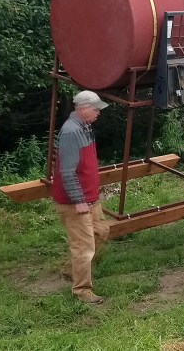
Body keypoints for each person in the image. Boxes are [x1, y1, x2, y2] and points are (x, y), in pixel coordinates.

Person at [51, 90, 110, 304]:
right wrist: (78, 200)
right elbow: (67, 172)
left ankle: (70, 270)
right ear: (83, 108)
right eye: (96, 109)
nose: (99, 113)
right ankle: (82, 291)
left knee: (101, 231)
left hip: (90, 197)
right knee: (83, 247)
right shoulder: (70, 132)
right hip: (75, 202)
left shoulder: (85, 127)